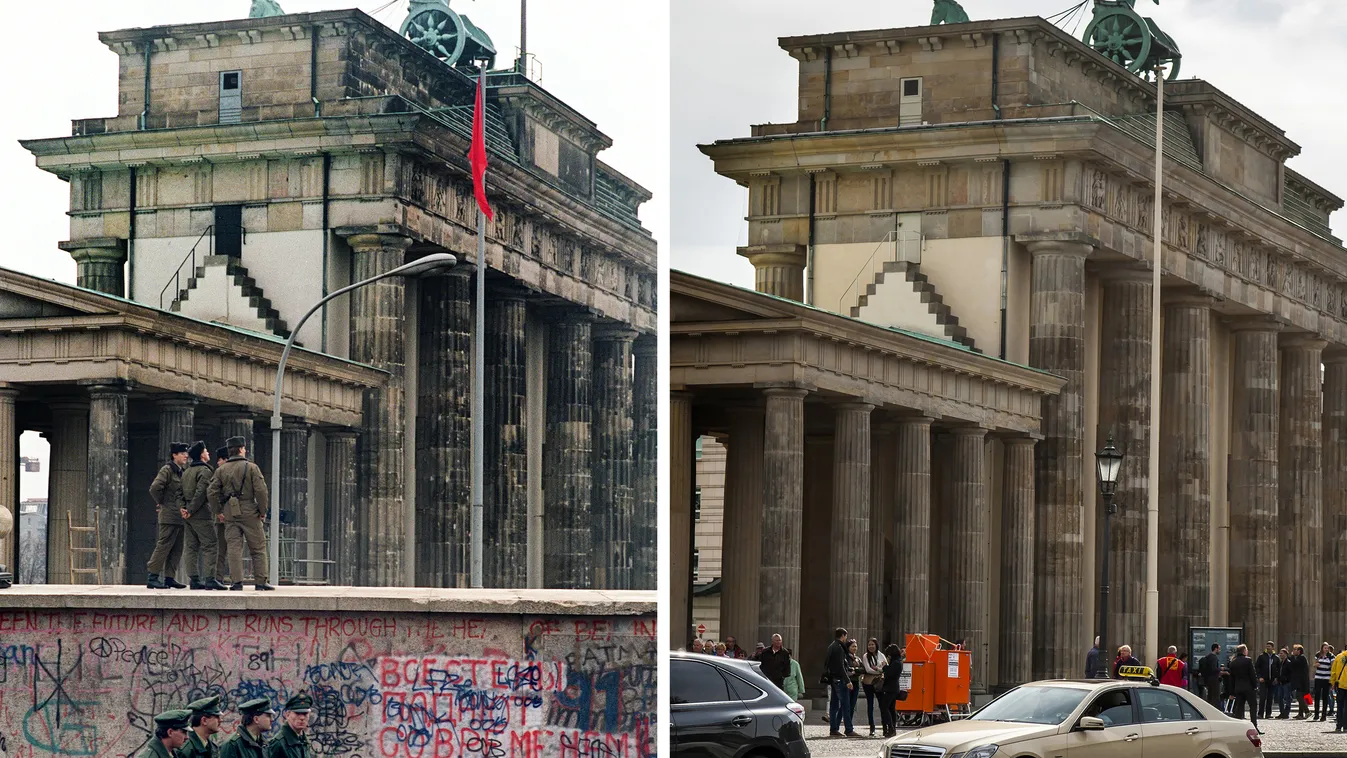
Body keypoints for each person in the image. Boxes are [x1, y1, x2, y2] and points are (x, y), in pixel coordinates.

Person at [207, 436, 274, 591]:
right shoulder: (251, 467)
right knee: (257, 548)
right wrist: (262, 511)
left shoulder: (221, 470)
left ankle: (236, 582)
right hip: (249, 509)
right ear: (242, 449)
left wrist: (218, 511)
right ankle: (261, 581)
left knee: (233, 548)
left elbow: (211, 492)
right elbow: (261, 491)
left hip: (229, 512)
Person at [181, 441, 227, 591]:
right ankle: (210, 578)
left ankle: (194, 579)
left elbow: (179, 493)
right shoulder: (205, 471)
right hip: (200, 514)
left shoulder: (186, 471)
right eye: (206, 451)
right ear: (201, 455)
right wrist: (192, 510)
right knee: (211, 545)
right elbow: (201, 493)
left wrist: (183, 509)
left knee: (191, 547)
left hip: (187, 514)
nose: (209, 454)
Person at [146, 442, 191, 589]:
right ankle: (153, 576)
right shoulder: (167, 470)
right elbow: (154, 488)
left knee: (177, 548)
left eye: (186, 453)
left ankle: (169, 577)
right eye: (182, 453)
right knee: (164, 546)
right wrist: (162, 502)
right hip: (169, 515)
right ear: (174, 455)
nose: (186, 456)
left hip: (180, 516)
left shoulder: (181, 472)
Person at [824, 627, 858, 737]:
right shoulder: (838, 647)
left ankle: (833, 729)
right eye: (845, 636)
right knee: (845, 705)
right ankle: (848, 729)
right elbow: (840, 666)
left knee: (834, 705)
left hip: (833, 678)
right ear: (843, 636)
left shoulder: (831, 646)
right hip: (840, 679)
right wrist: (848, 680)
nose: (846, 638)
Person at [268, 692, 313, 758]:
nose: (302, 718)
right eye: (297, 713)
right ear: (287, 715)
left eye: (305, 713)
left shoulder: (303, 740)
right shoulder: (278, 744)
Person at [1228, 644, 1259, 729]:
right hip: (1249, 688)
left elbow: (1232, 679)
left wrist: (1231, 692)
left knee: (1239, 708)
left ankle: (1238, 727)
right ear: (1244, 651)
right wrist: (1255, 685)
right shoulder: (1248, 660)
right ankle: (1254, 726)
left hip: (1238, 688)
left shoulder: (1233, 662)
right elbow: (1252, 674)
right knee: (1253, 707)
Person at [860, 638, 888, 736]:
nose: (871, 646)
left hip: (879, 682)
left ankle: (885, 726)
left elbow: (886, 667)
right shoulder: (865, 656)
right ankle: (872, 727)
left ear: (876, 645)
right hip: (868, 683)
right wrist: (880, 670)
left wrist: (878, 669)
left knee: (882, 705)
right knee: (870, 705)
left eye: (872, 644)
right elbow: (868, 669)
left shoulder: (881, 655)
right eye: (869, 645)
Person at [878, 644, 904, 738]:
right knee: (891, 709)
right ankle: (892, 728)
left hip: (890, 688)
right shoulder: (897, 661)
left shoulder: (896, 663)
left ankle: (891, 727)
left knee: (884, 707)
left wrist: (885, 666)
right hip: (893, 688)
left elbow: (889, 673)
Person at [1255, 641, 1278, 720]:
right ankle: (1260, 713)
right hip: (1263, 680)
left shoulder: (1276, 658)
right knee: (1262, 697)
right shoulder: (1261, 656)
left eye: (1269, 646)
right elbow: (1257, 667)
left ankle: (1268, 714)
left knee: (1270, 698)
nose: (1268, 647)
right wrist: (1259, 677)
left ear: (1272, 647)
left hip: (1272, 681)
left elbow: (1278, 669)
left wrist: (1276, 678)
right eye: (1267, 646)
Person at [1315, 642, 1334, 721]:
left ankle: (1324, 715)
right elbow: (1314, 664)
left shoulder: (1331, 656)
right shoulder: (1317, 655)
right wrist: (1316, 664)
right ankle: (1316, 714)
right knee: (1317, 696)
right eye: (1325, 648)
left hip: (1326, 678)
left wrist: (1332, 680)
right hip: (1318, 677)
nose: (1326, 649)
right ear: (1322, 648)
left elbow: (1333, 667)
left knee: (1325, 697)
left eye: (1327, 648)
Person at [1199, 643, 1222, 708]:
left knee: (1210, 696)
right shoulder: (1213, 657)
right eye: (1219, 649)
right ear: (1215, 649)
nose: (1220, 650)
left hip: (1209, 679)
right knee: (1215, 696)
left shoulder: (1208, 656)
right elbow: (1214, 669)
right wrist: (1221, 669)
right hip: (1214, 679)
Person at [845, 640, 863, 725]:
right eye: (852, 646)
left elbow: (863, 669)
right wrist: (854, 670)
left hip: (856, 683)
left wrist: (854, 670)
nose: (854, 648)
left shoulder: (858, 659)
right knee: (847, 705)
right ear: (848, 647)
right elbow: (846, 669)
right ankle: (847, 724)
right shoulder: (846, 657)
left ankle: (849, 723)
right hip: (848, 683)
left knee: (852, 705)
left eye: (855, 646)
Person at [1331, 644, 1347, 733]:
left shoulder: (1339, 657)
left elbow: (1333, 671)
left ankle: (1338, 726)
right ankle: (1346, 726)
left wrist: (1333, 682)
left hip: (1340, 685)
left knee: (1340, 706)